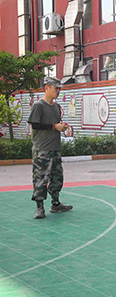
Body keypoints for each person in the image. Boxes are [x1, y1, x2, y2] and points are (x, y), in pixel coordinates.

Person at [28, 76, 72, 219]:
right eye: (55, 88)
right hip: (42, 149)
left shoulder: (57, 107)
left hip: (55, 147)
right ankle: (39, 207)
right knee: (40, 178)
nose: (58, 91)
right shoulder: (38, 105)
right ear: (46, 88)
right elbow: (35, 124)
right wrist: (54, 126)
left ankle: (56, 203)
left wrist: (61, 126)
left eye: (59, 89)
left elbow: (55, 124)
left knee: (57, 177)